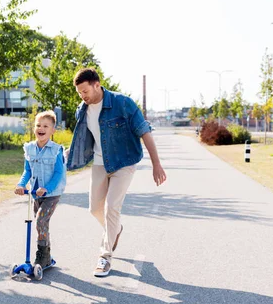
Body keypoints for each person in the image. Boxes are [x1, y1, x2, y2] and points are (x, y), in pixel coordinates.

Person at [66, 68, 167, 277]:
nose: (82, 96)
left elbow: (144, 131)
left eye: (85, 91)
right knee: (94, 209)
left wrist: (157, 164)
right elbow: (83, 138)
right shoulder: (82, 109)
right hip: (100, 164)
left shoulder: (123, 103)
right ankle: (115, 230)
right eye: (79, 93)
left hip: (124, 163)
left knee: (111, 208)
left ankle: (105, 257)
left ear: (97, 84)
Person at [15, 110, 66, 268]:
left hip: (51, 194)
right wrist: (21, 184)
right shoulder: (29, 148)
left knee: (40, 221)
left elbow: (58, 173)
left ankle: (42, 255)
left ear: (52, 130)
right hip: (35, 194)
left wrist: (47, 188)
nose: (41, 128)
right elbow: (27, 170)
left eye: (45, 126)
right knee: (42, 224)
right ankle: (47, 255)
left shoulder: (56, 150)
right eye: (38, 125)